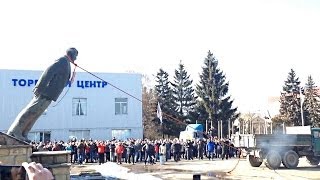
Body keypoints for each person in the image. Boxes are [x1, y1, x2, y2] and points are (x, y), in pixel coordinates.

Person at [7, 48, 78, 142]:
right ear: (72, 54)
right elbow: (48, 72)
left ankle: (23, 133)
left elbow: (60, 82)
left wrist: (70, 81)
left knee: (35, 114)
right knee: (31, 111)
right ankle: (15, 132)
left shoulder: (67, 64)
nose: (76, 58)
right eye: (76, 55)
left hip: (50, 95)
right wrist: (39, 88)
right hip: (45, 92)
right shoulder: (62, 61)